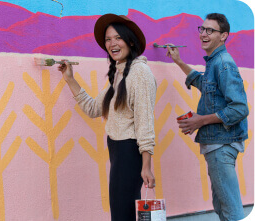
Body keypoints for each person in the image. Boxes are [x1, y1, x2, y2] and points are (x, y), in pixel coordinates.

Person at [58, 13, 157, 221]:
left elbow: (145, 121)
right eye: (108, 39)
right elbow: (94, 108)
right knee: (122, 213)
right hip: (118, 150)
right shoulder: (119, 74)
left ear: (130, 40)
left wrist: (146, 165)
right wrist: (70, 79)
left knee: (123, 214)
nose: (112, 43)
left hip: (130, 152)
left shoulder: (140, 73)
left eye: (117, 38)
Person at [165, 13, 248, 221]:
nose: (203, 33)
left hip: (221, 146)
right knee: (221, 207)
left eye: (210, 30)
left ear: (224, 36)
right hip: (217, 145)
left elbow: (239, 109)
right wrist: (179, 62)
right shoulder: (214, 62)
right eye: (202, 29)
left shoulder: (224, 64)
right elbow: (206, 86)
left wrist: (200, 120)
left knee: (230, 210)